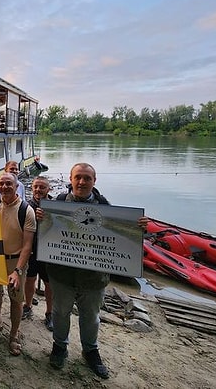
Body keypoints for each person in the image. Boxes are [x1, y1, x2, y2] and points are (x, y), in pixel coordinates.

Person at [44, 162, 148, 379]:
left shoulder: (107, 208)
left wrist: (138, 228)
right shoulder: (56, 205)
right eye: (78, 177)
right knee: (60, 313)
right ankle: (59, 347)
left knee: (91, 317)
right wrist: (40, 218)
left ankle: (90, 350)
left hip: (93, 277)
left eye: (87, 178)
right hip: (62, 274)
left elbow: (121, 237)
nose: (82, 182)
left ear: (94, 181)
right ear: (71, 180)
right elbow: (45, 234)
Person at [0, 172, 36, 357]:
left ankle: (13, 334)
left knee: (15, 299)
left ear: (16, 186)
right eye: (1, 184)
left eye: (8, 184)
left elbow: (27, 246)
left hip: (16, 261)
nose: (4, 187)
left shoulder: (26, 210)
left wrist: (18, 270)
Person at [22, 176, 53, 331]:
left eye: (42, 187)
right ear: (32, 188)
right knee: (29, 279)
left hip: (49, 251)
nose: (38, 190)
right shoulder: (26, 205)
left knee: (49, 284)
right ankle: (27, 305)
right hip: (31, 249)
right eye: (35, 187)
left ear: (49, 189)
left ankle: (49, 313)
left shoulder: (56, 207)